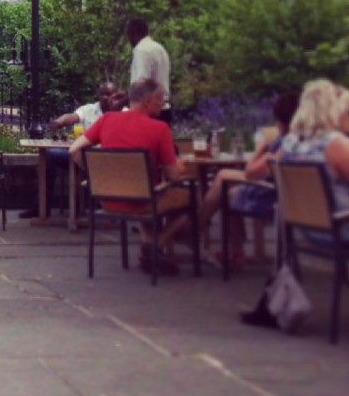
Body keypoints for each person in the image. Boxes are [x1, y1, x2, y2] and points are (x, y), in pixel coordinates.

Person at [69, 77, 189, 274]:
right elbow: (173, 176)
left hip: (107, 200)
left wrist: (95, 177)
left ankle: (150, 246)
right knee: (193, 199)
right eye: (160, 99)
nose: (163, 104)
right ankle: (156, 245)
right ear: (148, 100)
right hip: (143, 202)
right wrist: (182, 167)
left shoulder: (107, 119)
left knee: (142, 191)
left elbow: (74, 150)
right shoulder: (159, 129)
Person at [198, 90, 300, 269]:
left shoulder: (286, 143)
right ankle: (231, 249)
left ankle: (197, 228)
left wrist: (261, 147)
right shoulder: (305, 140)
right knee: (225, 180)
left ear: (283, 120)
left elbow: (251, 172)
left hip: (272, 198)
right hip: (292, 194)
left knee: (223, 182)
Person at [35, 81, 120, 219]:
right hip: (83, 157)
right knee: (49, 155)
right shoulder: (89, 109)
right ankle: (42, 207)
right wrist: (59, 122)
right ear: (98, 95)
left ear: (117, 95)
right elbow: (72, 117)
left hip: (109, 161)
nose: (106, 97)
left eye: (109, 94)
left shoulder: (125, 113)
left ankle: (91, 207)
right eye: (103, 94)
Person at [277, 79, 349, 214]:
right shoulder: (334, 143)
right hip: (341, 223)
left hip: (307, 225)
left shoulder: (290, 142)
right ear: (334, 109)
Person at [126, 17, 171, 123]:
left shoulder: (141, 50)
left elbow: (142, 84)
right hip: (163, 108)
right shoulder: (159, 48)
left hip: (148, 111)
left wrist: (123, 100)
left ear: (133, 33)